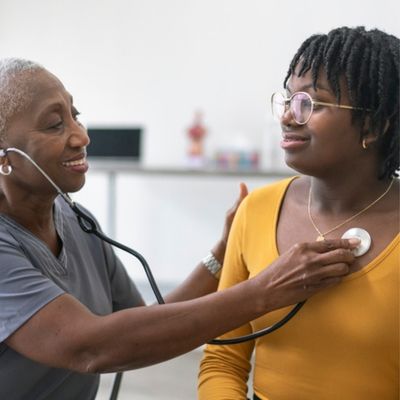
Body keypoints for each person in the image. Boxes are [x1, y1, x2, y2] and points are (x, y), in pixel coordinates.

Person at [0, 58, 359, 400]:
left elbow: (147, 322)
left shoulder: (77, 223)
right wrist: (264, 290)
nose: (81, 136)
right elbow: (91, 346)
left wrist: (223, 251)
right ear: (4, 156)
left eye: (75, 116)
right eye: (54, 124)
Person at [198, 26, 399, 400]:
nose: (289, 117)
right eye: (289, 99)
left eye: (313, 103)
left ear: (373, 124)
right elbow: (223, 359)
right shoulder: (255, 211)